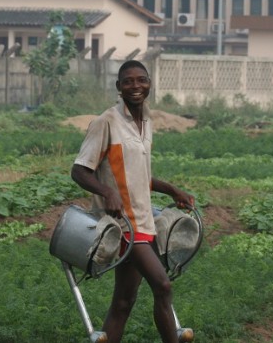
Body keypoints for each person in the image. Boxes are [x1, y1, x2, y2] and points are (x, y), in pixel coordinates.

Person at [71, 60, 196, 343]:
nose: (135, 86)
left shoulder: (146, 122)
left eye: (141, 80)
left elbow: (136, 176)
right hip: (125, 224)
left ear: (150, 83)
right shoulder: (106, 122)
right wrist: (106, 192)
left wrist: (172, 190)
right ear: (119, 87)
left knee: (124, 302)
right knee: (162, 286)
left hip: (145, 220)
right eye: (128, 81)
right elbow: (79, 170)